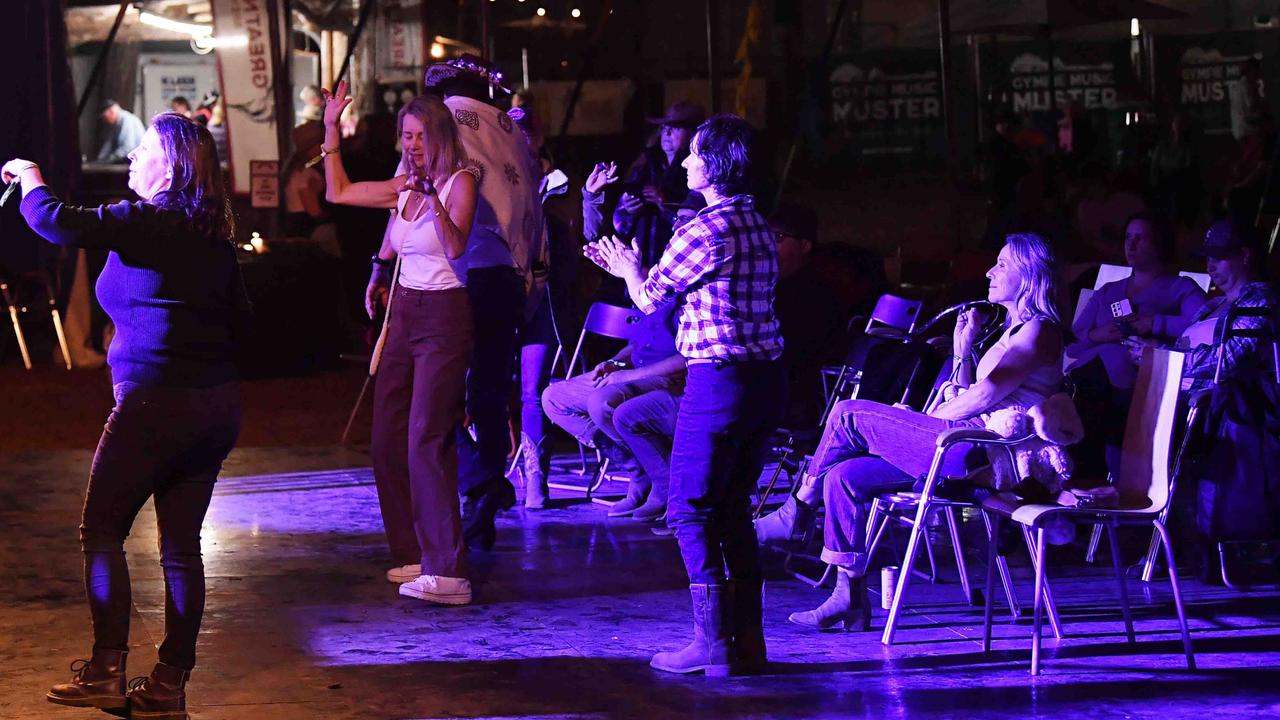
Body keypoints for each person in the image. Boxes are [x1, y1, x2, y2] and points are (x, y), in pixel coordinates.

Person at [6, 112, 246, 717]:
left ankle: (106, 670)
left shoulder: (148, 220)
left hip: (155, 402)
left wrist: (30, 176)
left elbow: (52, 221)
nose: (132, 159)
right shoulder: (212, 231)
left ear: (174, 164)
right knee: (180, 546)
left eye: (144, 150)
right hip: (214, 405)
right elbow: (242, 317)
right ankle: (168, 684)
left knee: (101, 532)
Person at [587, 113, 786, 676]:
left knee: (688, 507)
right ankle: (747, 643)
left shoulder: (704, 229)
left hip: (719, 380)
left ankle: (711, 643)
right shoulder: (757, 224)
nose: (685, 160)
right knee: (732, 508)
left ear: (716, 164)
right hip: (765, 379)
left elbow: (649, 298)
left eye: (696, 153)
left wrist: (628, 267)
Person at [784, 234, 1065, 630]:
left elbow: (985, 396)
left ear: (1029, 275)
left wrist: (928, 420)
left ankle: (797, 507)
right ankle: (848, 595)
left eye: (1001, 264)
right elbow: (969, 388)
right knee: (843, 477)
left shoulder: (1041, 331)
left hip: (980, 455)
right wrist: (962, 350)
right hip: (960, 445)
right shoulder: (1010, 332)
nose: (989, 271)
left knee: (848, 414)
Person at [320, 80, 481, 605]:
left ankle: (450, 573)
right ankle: (413, 553)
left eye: (418, 136)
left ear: (437, 137)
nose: (410, 146)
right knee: (388, 436)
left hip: (443, 315)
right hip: (404, 312)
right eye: (404, 136)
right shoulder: (403, 184)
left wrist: (431, 197)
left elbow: (456, 247)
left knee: (424, 438)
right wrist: (330, 129)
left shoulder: (460, 181)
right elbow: (337, 192)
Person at [414, 54, 543, 549]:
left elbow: (414, 198)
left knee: (433, 389)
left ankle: (480, 482)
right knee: (488, 394)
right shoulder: (509, 131)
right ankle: (484, 495)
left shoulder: (442, 125)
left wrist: (384, 264)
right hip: (509, 275)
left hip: (462, 275)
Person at [1067, 211, 1206, 478]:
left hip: (1139, 387)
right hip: (1092, 381)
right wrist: (1099, 335)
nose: (1131, 245)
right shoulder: (1109, 291)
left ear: (1159, 244)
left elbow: (1204, 326)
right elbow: (1073, 342)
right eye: (1128, 237)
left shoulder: (1179, 287)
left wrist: (1155, 323)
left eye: (1141, 239)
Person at [541, 302, 685, 520]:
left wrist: (629, 376)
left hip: (667, 378)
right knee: (554, 398)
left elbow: (686, 358)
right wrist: (614, 363)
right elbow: (636, 344)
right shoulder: (650, 292)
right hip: (635, 371)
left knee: (601, 403)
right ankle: (638, 469)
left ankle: (661, 478)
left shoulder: (686, 294)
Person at [769, 203, 846, 428]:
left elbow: (794, 358)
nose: (767, 246)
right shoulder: (770, 286)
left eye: (778, 237)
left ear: (804, 246)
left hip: (792, 403)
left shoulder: (814, 295)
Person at [613, 101, 706, 268]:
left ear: (693, 134)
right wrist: (628, 210)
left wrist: (666, 206)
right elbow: (619, 224)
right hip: (642, 261)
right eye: (664, 127)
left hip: (679, 265)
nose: (667, 132)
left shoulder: (698, 174)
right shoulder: (643, 167)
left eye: (676, 127)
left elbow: (701, 229)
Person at [95, 99, 146, 163]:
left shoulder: (127, 120)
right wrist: (100, 159)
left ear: (111, 112)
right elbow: (108, 144)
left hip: (138, 162)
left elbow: (127, 148)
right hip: (129, 160)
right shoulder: (116, 123)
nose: (105, 120)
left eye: (105, 117)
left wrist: (108, 160)